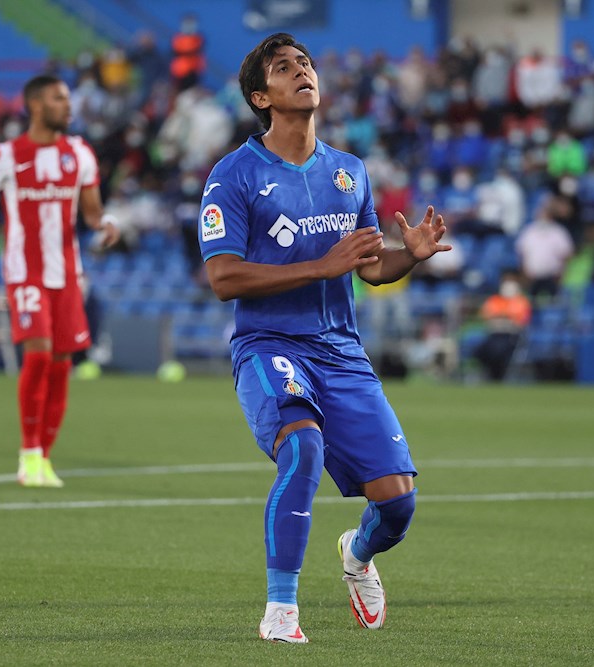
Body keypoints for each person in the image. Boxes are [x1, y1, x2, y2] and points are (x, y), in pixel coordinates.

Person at [199, 33, 451, 643]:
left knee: (398, 504)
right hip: (269, 346)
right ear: (262, 96)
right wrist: (320, 266)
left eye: (306, 63)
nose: (301, 72)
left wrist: (407, 257)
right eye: (284, 68)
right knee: (302, 447)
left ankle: (358, 553)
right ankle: (280, 612)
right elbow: (223, 277)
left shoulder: (349, 171)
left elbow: (366, 266)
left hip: (340, 350)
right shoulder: (233, 175)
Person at [0, 75, 119, 488]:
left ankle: (44, 458)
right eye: (58, 98)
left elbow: (90, 211)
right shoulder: (4, 155)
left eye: (68, 99)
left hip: (67, 274)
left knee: (60, 365)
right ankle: (28, 451)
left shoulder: (79, 154)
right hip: (25, 271)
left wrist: (104, 224)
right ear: (35, 105)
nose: (68, 106)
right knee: (38, 354)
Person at [474, 273, 532, 381]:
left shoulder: (521, 302)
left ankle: (498, 376)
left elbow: (521, 323)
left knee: (499, 350)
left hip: (511, 337)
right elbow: (488, 318)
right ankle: (490, 374)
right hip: (493, 335)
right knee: (481, 350)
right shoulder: (494, 300)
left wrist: (504, 321)